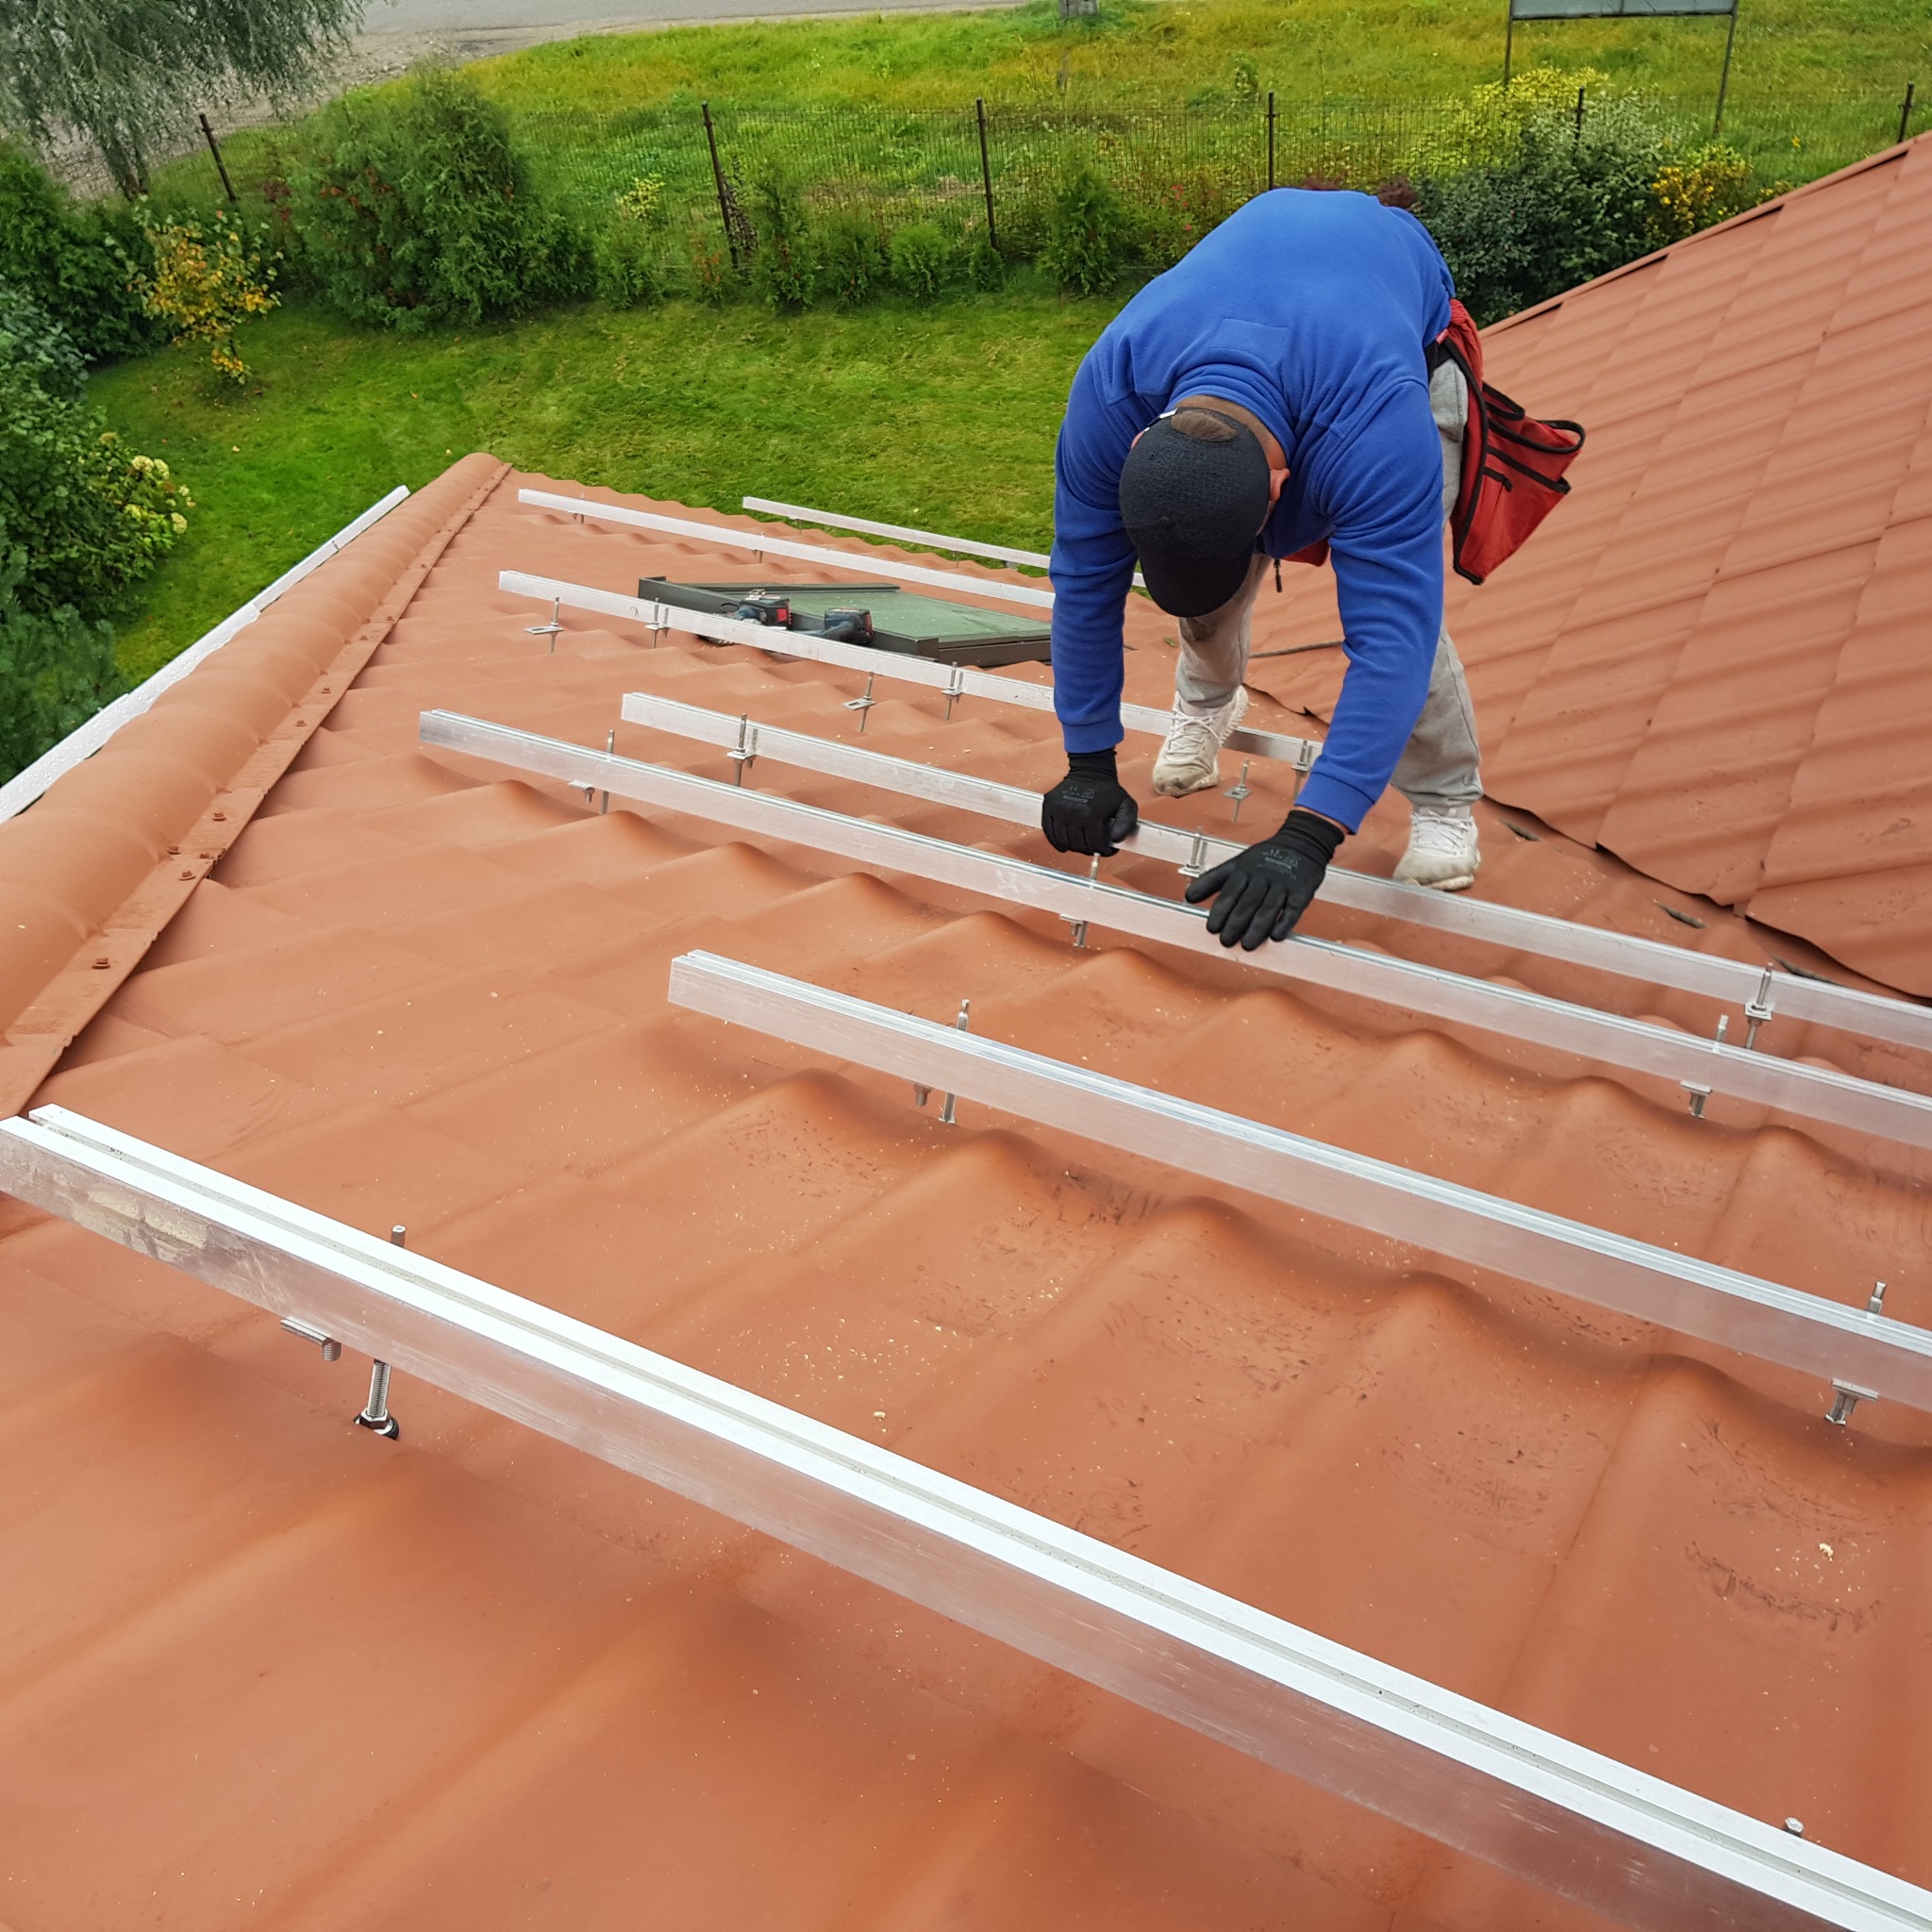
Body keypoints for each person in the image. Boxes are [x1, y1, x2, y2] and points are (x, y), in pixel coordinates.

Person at [1039, 186, 1485, 952]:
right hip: (1272, 329)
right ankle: (1209, 704)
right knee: (1202, 570)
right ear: (1139, 449)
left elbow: (1392, 641)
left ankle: (1446, 801)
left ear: (1282, 497)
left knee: (1411, 621)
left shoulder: (1380, 425)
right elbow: (1083, 584)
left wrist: (1312, 832)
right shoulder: (1111, 397)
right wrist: (1086, 757)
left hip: (1398, 351)